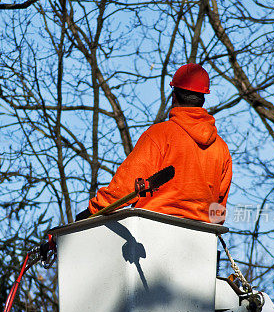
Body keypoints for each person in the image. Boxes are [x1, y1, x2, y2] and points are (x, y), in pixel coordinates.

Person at [76, 63, 232, 224]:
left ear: (174, 96)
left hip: (154, 231)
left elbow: (125, 187)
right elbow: (219, 209)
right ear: (203, 100)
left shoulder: (159, 135)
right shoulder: (221, 149)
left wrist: (92, 211)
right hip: (201, 238)